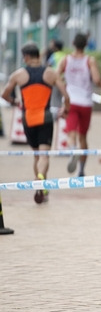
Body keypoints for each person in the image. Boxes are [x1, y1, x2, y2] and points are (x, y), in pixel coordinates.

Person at [1, 43, 70, 204]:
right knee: (44, 155)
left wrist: (15, 101)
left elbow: (4, 94)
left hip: (28, 119)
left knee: (36, 155)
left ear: (26, 56)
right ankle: (41, 179)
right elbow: (66, 96)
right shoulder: (50, 73)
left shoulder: (19, 75)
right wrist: (65, 110)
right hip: (45, 118)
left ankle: (39, 183)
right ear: (38, 55)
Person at [57, 34, 101, 176]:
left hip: (71, 102)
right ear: (86, 45)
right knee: (83, 137)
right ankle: (81, 170)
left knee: (71, 134)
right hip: (85, 103)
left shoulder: (65, 59)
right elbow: (97, 79)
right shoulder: (90, 61)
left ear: (73, 43)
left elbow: (55, 77)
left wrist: (64, 83)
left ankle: (73, 150)